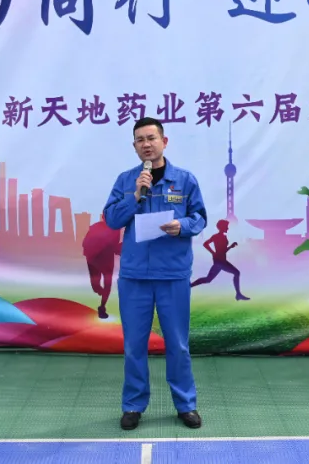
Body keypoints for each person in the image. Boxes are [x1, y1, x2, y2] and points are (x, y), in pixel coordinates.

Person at [102, 116, 207, 431]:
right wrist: (136, 196)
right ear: (134, 146)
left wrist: (181, 226)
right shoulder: (126, 180)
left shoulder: (184, 180)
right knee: (134, 346)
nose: (146, 144)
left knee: (178, 344)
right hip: (135, 276)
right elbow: (111, 219)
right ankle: (133, 405)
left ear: (164, 141)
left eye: (151, 138)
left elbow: (199, 218)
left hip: (172, 275)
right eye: (140, 140)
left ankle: (186, 405)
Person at [191, 219, 250, 300]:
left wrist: (230, 247)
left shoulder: (223, 236)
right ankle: (238, 294)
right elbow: (206, 244)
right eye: (226, 226)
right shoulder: (216, 236)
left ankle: (189, 285)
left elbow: (222, 250)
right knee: (236, 273)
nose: (227, 228)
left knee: (208, 279)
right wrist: (213, 252)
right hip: (220, 262)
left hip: (221, 261)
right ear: (222, 227)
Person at [82, 213, 122, 319]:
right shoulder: (96, 227)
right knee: (97, 286)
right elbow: (85, 243)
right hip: (94, 259)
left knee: (106, 285)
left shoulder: (115, 229)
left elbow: (114, 246)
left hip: (105, 260)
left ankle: (102, 306)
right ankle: (101, 299)